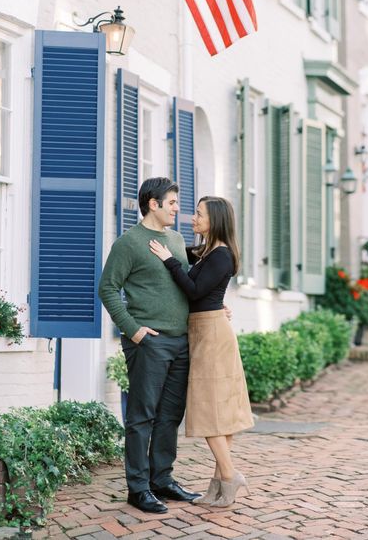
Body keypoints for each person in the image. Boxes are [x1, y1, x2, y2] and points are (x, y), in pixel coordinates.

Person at [98, 177, 201, 514]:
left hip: (180, 340)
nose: (177, 209)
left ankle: (162, 480)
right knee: (142, 416)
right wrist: (133, 330)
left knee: (170, 415)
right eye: (171, 202)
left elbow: (185, 283)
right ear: (153, 204)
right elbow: (108, 288)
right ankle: (138, 488)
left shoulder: (175, 238)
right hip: (149, 342)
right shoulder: (129, 243)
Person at [149, 196, 254, 507]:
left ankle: (231, 476)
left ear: (216, 220)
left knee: (211, 410)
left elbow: (193, 290)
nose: (192, 217)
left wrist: (168, 260)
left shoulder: (221, 255)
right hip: (204, 328)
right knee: (217, 412)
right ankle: (219, 483)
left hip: (211, 334)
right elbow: (198, 279)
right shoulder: (207, 251)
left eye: (199, 214)